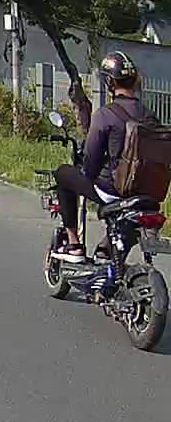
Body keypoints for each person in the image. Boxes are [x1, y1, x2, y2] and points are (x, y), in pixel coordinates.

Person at [51, 51, 152, 263]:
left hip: (115, 190)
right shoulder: (150, 116)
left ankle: (73, 245)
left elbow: (90, 166)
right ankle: (106, 249)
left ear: (109, 82)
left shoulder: (106, 114)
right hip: (147, 191)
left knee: (63, 174)